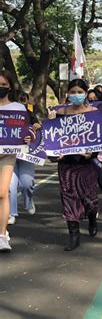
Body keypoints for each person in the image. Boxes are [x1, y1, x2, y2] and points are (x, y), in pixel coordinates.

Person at [49, 79, 102, 251]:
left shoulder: (94, 113)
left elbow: (99, 139)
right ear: (68, 94)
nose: (76, 95)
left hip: (86, 164)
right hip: (67, 165)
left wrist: (91, 154)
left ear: (86, 93)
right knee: (69, 197)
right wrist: (50, 122)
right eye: (73, 92)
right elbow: (53, 140)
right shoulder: (61, 113)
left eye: (80, 92)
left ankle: (92, 217)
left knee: (89, 198)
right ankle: (74, 235)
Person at [0, 71, 30, 252]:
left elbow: (25, 132)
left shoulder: (18, 109)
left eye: (3, 85)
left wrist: (27, 138)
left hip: (7, 156)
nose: (0, 88)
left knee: (2, 193)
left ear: (10, 86)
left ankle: (2, 235)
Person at [8, 91, 41, 225]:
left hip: (26, 155)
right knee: (10, 186)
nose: (22, 103)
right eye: (19, 100)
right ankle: (11, 213)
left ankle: (29, 201)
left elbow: (38, 134)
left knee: (27, 184)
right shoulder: (4, 115)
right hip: (9, 156)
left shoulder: (31, 116)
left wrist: (37, 128)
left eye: (24, 100)